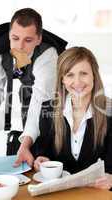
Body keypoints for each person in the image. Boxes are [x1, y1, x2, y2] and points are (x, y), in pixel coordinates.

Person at [0, 8, 67, 166]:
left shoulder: (47, 55)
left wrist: (25, 144)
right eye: (15, 38)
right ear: (9, 36)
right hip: (27, 94)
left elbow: (39, 102)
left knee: (47, 142)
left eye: (28, 40)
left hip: (55, 100)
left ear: (38, 39)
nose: (20, 46)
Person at [34, 47, 112, 190]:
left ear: (94, 75)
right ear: (62, 80)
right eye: (70, 75)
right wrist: (42, 159)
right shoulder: (48, 109)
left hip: (98, 194)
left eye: (83, 73)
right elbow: (44, 149)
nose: (77, 82)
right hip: (61, 193)